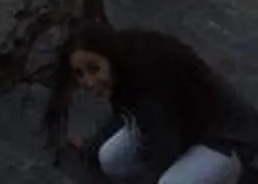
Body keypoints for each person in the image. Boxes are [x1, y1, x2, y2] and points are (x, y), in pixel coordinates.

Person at [50, 23, 258, 183]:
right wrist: (90, 150)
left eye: (94, 69)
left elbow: (161, 151)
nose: (88, 82)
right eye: (79, 74)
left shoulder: (150, 83)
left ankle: (237, 176)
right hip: (184, 127)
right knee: (111, 160)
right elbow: (126, 117)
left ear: (110, 58)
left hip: (225, 138)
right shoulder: (126, 70)